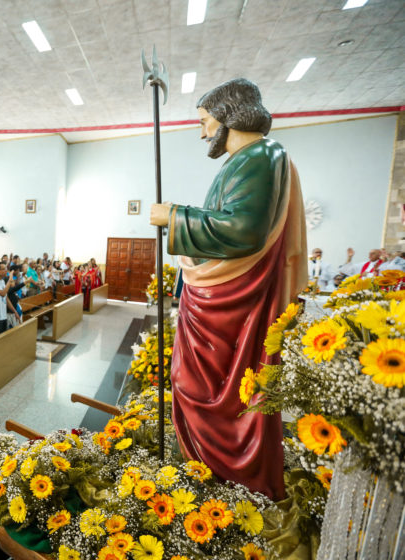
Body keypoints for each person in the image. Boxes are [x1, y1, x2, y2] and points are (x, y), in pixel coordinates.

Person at [149, 78, 306, 500]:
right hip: (222, 297)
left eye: (204, 121)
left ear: (228, 116)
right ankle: (208, 475)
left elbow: (243, 230)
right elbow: (231, 219)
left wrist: (174, 216)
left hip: (231, 305)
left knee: (209, 391)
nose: (202, 132)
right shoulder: (248, 158)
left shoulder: (259, 156)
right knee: (196, 384)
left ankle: (222, 488)